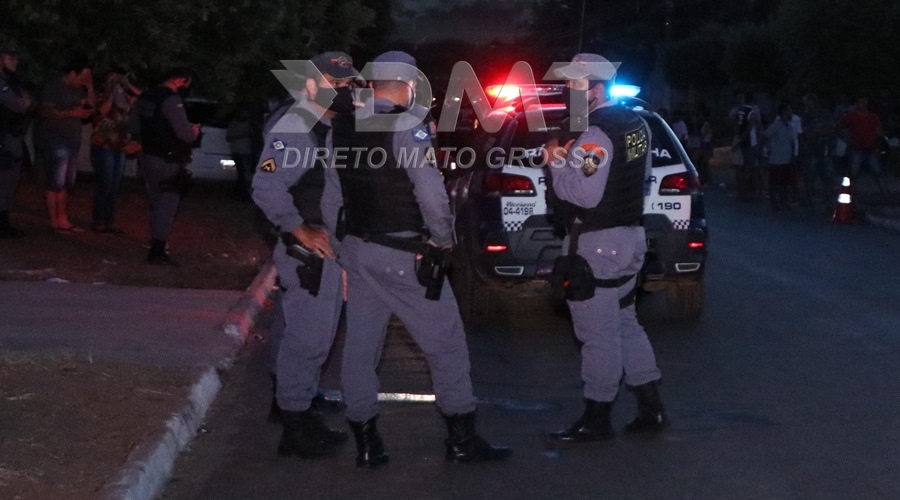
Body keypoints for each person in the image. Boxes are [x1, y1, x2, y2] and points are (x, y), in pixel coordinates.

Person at [326, 50, 511, 468]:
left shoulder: (344, 126)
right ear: (408, 84)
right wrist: (444, 241)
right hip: (404, 253)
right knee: (445, 345)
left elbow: (331, 196)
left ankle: (367, 444)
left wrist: (343, 252)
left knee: (360, 348)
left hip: (359, 250)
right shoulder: (406, 125)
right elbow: (430, 193)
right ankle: (462, 440)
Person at [546, 53, 668, 443]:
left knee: (596, 334)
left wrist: (555, 164)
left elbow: (583, 193)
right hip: (629, 238)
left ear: (596, 90)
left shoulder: (596, 133)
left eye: (576, 85)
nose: (569, 92)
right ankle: (652, 408)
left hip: (598, 244)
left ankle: (597, 418)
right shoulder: (636, 123)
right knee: (625, 323)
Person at [251, 51, 360, 459]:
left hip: (324, 244)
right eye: (337, 82)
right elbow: (266, 186)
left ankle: (296, 409)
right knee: (310, 337)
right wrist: (299, 227)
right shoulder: (296, 124)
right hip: (308, 248)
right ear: (312, 83)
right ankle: (295, 427)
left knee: (304, 330)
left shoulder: (324, 123)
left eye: (348, 83)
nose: (345, 90)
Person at [135, 67, 200, 265]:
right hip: (168, 158)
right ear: (180, 80)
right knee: (167, 203)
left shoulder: (145, 97)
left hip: (148, 156)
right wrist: (194, 132)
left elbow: (134, 126)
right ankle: (157, 250)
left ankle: (155, 240)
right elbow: (185, 134)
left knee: (155, 200)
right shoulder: (171, 100)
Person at [34, 57, 94, 233]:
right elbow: (45, 111)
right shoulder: (54, 87)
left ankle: (63, 218)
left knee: (66, 182)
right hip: (55, 140)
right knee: (56, 182)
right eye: (82, 78)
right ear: (72, 73)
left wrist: (90, 86)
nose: (83, 82)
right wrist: (72, 113)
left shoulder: (78, 89)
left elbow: (92, 105)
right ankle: (55, 219)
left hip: (71, 141)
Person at [90, 68, 141, 233]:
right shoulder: (101, 97)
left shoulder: (126, 98)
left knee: (114, 186)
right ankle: (99, 220)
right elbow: (103, 111)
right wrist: (111, 91)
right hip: (104, 145)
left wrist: (129, 85)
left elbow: (143, 98)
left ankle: (109, 220)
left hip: (120, 146)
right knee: (105, 184)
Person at [0, 42, 35, 238]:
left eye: (16, 57)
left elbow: (31, 103)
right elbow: (18, 105)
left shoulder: (13, 81)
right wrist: (25, 102)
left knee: (9, 181)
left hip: (12, 137)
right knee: (4, 181)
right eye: (10, 57)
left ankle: (4, 223)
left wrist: (27, 102)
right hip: (3, 138)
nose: (15, 61)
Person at [840, 96, 888, 199]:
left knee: (878, 172)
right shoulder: (851, 116)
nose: (863, 105)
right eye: (861, 103)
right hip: (855, 148)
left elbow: (879, 132)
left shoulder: (873, 117)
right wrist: (847, 139)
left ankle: (885, 194)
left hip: (871, 148)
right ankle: (853, 195)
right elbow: (841, 127)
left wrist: (878, 147)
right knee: (854, 173)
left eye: (864, 103)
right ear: (857, 104)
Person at [800, 93, 835, 211]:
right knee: (810, 177)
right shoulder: (805, 116)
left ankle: (828, 201)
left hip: (825, 150)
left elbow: (830, 129)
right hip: (811, 151)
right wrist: (816, 132)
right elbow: (805, 134)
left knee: (827, 177)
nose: (810, 105)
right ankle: (809, 200)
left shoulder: (825, 114)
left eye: (812, 102)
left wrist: (816, 132)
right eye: (808, 103)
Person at [763, 103, 798, 211]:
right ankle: (775, 203)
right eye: (789, 111)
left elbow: (792, 142)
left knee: (784, 183)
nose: (791, 113)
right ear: (783, 112)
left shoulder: (790, 126)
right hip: (776, 159)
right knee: (775, 183)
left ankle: (784, 202)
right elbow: (765, 136)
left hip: (786, 159)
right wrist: (768, 150)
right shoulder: (776, 125)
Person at [729, 91, 762, 201]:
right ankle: (747, 192)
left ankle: (746, 192)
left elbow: (738, 127)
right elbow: (750, 128)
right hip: (748, 141)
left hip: (745, 141)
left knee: (746, 168)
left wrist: (737, 141)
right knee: (747, 168)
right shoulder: (749, 111)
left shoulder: (742, 111)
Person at [225, 106, 254, 200]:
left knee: (244, 174)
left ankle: (240, 193)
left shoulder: (249, 124)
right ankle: (241, 194)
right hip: (237, 151)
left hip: (246, 152)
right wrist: (242, 136)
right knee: (242, 174)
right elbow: (228, 138)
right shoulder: (234, 123)